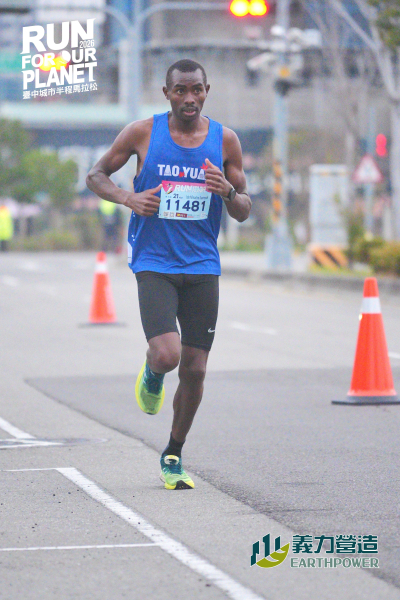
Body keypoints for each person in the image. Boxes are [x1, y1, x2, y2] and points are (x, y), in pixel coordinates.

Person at [87, 59, 251, 490]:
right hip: (154, 261)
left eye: (196, 89)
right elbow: (96, 174)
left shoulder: (225, 140)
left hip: (202, 265)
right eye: (181, 90)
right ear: (167, 94)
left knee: (195, 369)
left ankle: (173, 453)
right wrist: (128, 198)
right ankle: (153, 372)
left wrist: (228, 191)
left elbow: (243, 209)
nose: (189, 98)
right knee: (167, 355)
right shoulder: (143, 133)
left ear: (207, 90)